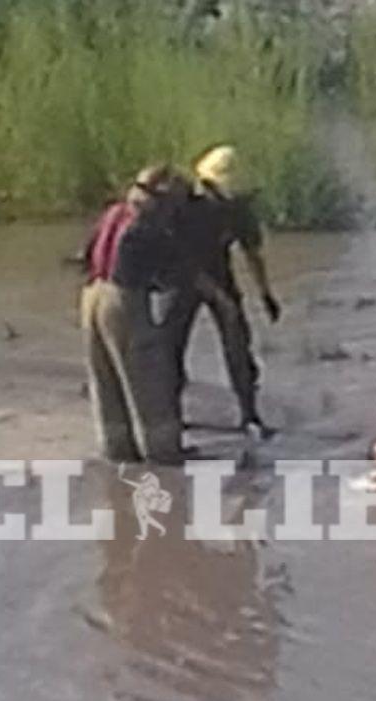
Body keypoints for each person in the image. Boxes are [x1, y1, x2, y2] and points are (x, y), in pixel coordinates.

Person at [172, 145, 281, 437]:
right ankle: (169, 413)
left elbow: (252, 254)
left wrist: (265, 294)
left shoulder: (240, 211)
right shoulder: (186, 207)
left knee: (237, 342)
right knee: (171, 345)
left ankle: (249, 415)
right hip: (183, 277)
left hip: (220, 273)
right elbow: (177, 254)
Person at [82, 165, 188, 464]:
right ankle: (163, 453)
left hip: (92, 295)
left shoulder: (114, 213)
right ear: (161, 198)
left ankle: (117, 450)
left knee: (105, 380)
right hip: (123, 301)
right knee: (148, 377)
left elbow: (86, 255)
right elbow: (170, 277)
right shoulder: (147, 228)